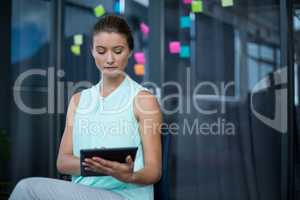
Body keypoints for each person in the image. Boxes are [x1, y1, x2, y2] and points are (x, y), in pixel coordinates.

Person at [9, 14, 162, 200]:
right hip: (82, 193)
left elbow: (153, 171)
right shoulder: (78, 100)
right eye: (101, 50)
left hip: (123, 195)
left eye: (118, 50)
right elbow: (62, 162)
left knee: (26, 189)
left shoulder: (144, 100)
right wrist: (100, 165)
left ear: (130, 52)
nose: (110, 59)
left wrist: (129, 175)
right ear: (92, 51)